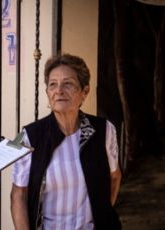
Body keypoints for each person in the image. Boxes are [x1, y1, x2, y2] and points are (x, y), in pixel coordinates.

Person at [10, 53, 122, 230]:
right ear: (47, 92)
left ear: (84, 92)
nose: (59, 90)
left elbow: (114, 177)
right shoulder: (30, 136)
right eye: (53, 84)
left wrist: (102, 215)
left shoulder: (104, 130)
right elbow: (19, 193)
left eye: (68, 84)